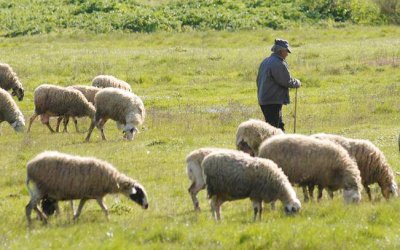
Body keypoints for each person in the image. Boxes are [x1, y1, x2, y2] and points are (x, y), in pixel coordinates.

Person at [256, 38, 301, 132]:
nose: (287, 54)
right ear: (281, 51)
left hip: (265, 99)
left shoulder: (266, 61)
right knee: (276, 129)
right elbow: (286, 81)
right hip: (272, 100)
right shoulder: (278, 63)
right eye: (286, 51)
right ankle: (277, 146)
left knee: (274, 126)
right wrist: (297, 83)